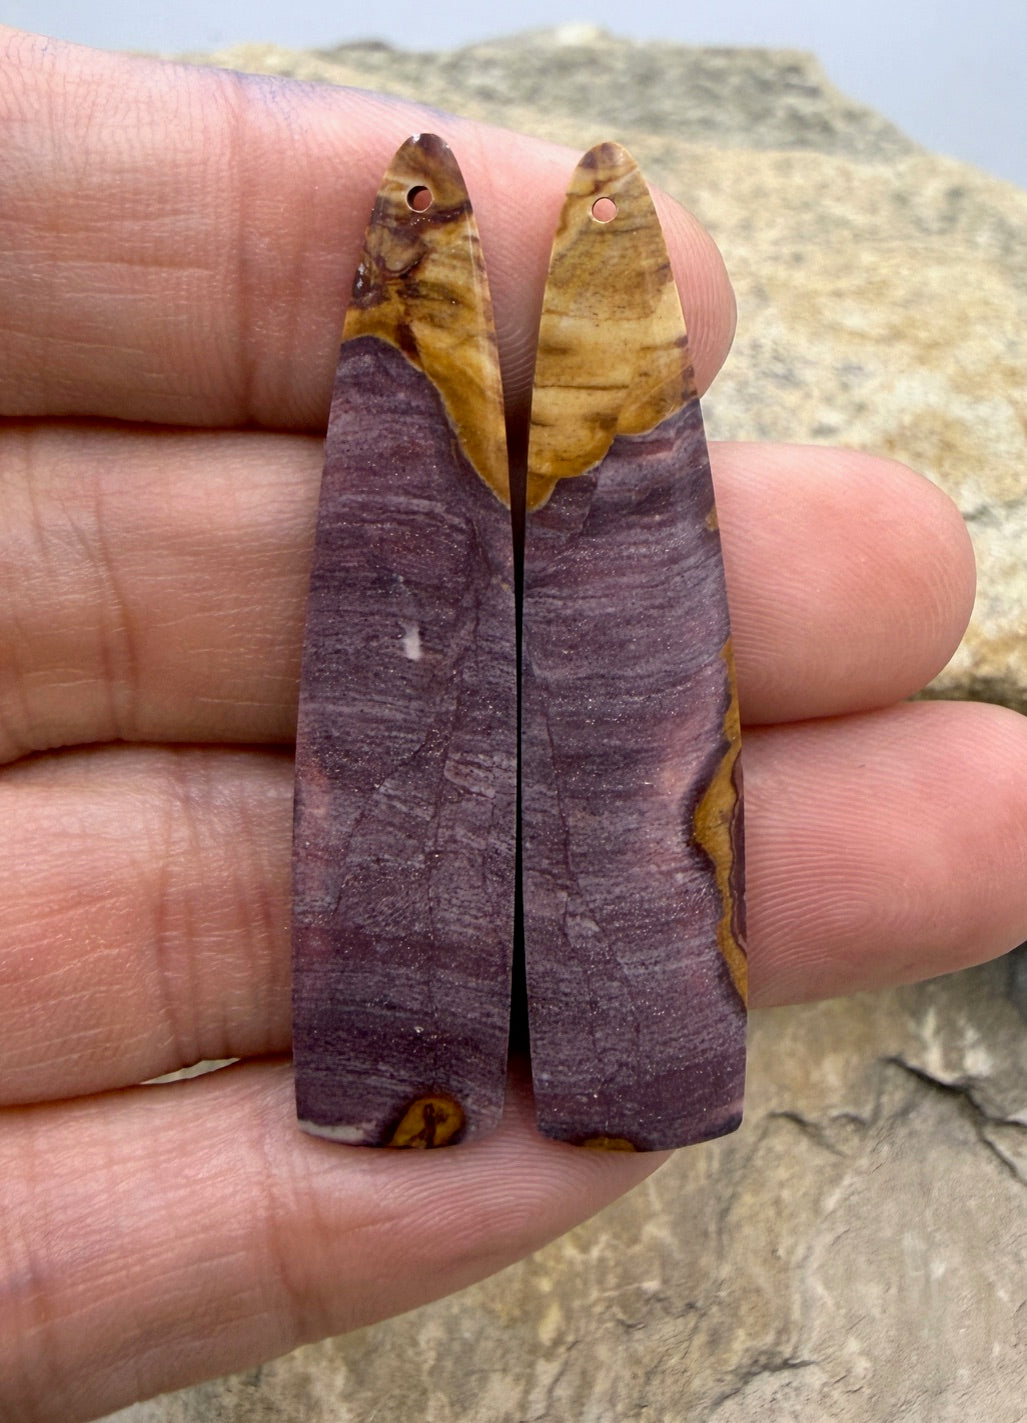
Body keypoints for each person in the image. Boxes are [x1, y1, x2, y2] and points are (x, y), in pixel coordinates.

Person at [1, 23, 1024, 1423]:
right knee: (421, 734)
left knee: (628, 773)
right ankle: (481, 1071)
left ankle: (604, 1070)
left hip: (632, 943)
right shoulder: (392, 439)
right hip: (393, 975)